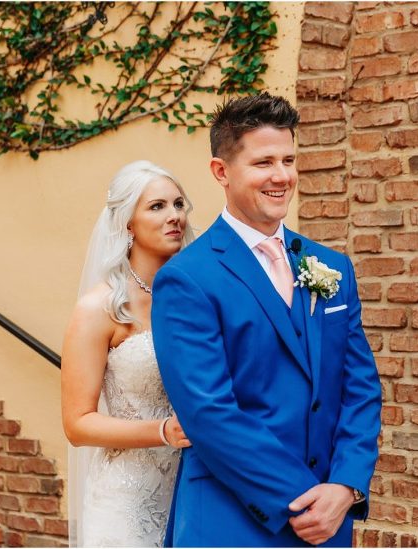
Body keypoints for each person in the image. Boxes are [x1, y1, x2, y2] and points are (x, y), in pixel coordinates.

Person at [151, 93, 382, 547]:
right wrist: (301, 499)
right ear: (222, 172)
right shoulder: (186, 279)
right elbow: (208, 412)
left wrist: (345, 487)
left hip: (330, 522)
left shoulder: (331, 266)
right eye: (263, 163)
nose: (282, 177)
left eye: (289, 159)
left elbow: (361, 386)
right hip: (234, 521)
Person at [61, 160, 195, 547]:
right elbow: (77, 424)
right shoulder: (98, 308)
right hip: (127, 500)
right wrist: (162, 432)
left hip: (193, 490)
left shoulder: (195, 297)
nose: (174, 217)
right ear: (127, 223)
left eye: (178, 204)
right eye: (157, 207)